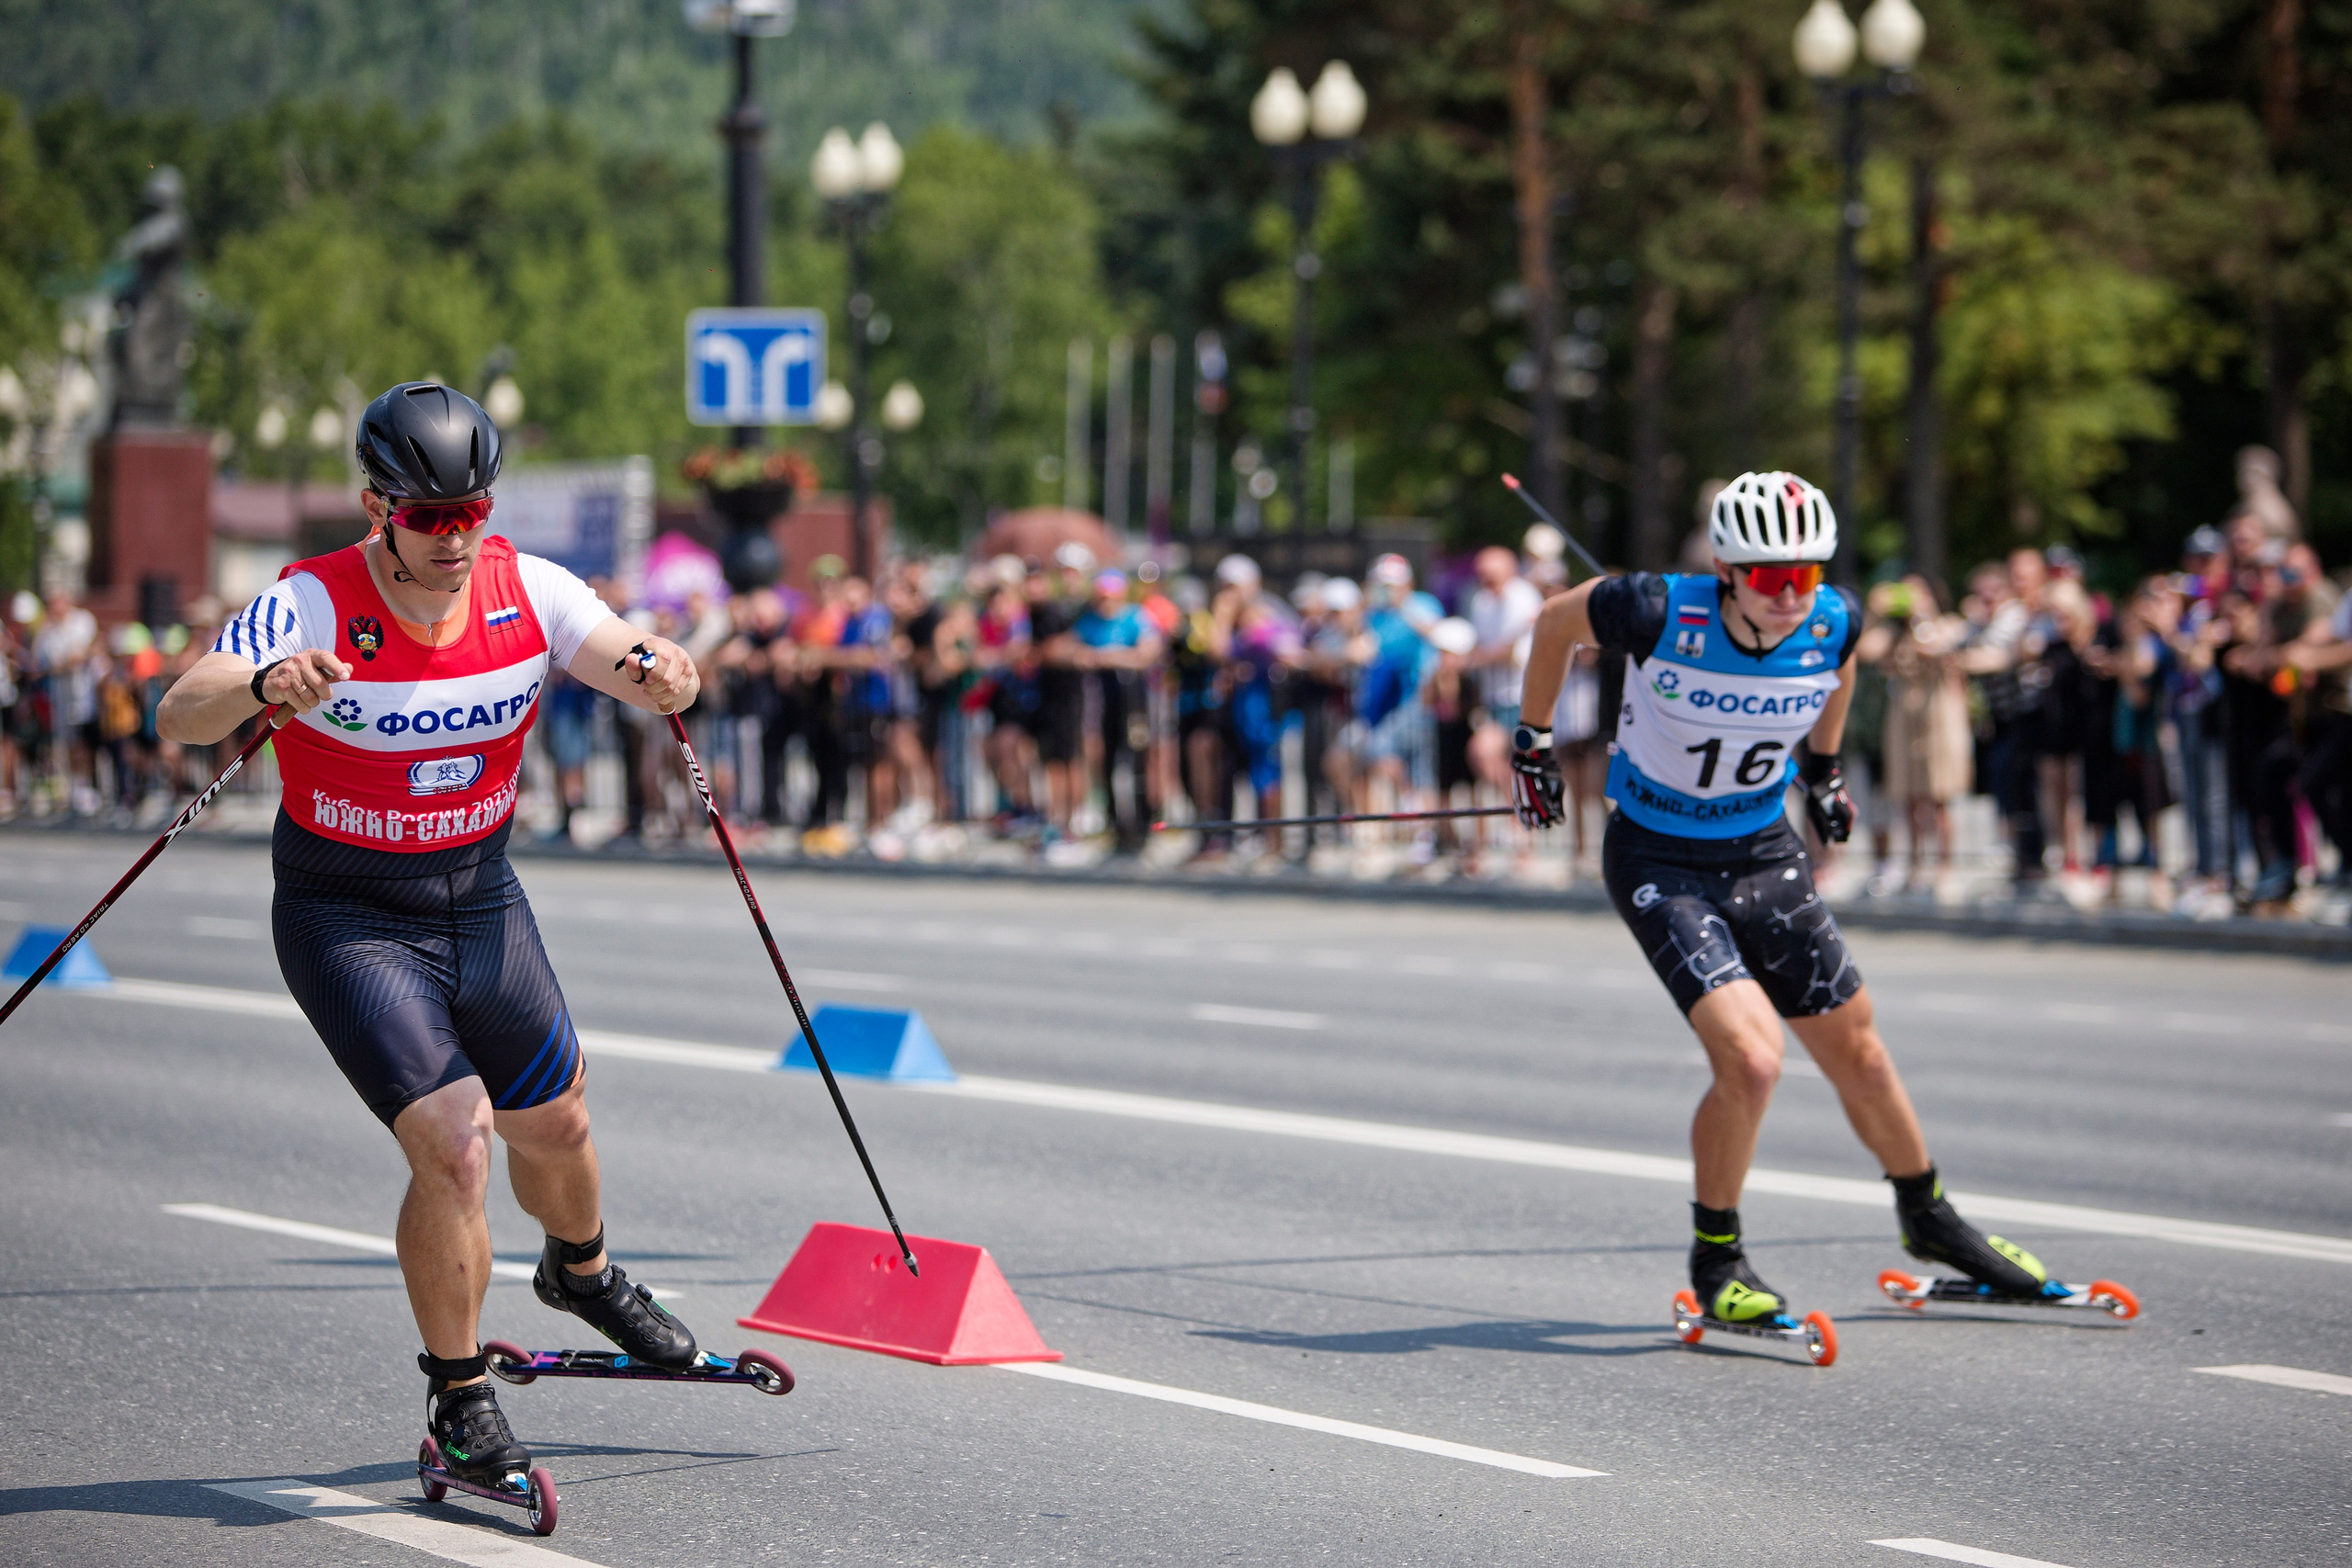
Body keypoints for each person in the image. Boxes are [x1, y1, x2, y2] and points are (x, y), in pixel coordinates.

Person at [155, 382, 705, 1493]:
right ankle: (460, 1398)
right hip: (347, 910)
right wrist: (265, 682)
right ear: (377, 509)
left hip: (478, 894)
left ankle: (583, 1275)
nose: (457, 538)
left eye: (474, 513)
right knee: (458, 1142)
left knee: (556, 1123)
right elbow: (182, 709)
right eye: (431, 517)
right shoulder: (310, 600)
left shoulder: (529, 588)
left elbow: (628, 658)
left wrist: (664, 671)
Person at [1511, 470, 2097, 1332]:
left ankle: (1928, 1217)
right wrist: (1532, 743)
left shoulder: (1832, 616)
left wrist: (1821, 771)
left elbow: (1842, 658)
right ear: (1726, 568)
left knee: (1858, 1051)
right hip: (1660, 857)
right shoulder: (1654, 608)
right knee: (1751, 1059)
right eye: (1771, 576)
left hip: (1762, 851)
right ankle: (1718, 1259)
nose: (1792, 595)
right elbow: (1557, 618)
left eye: (1808, 574)